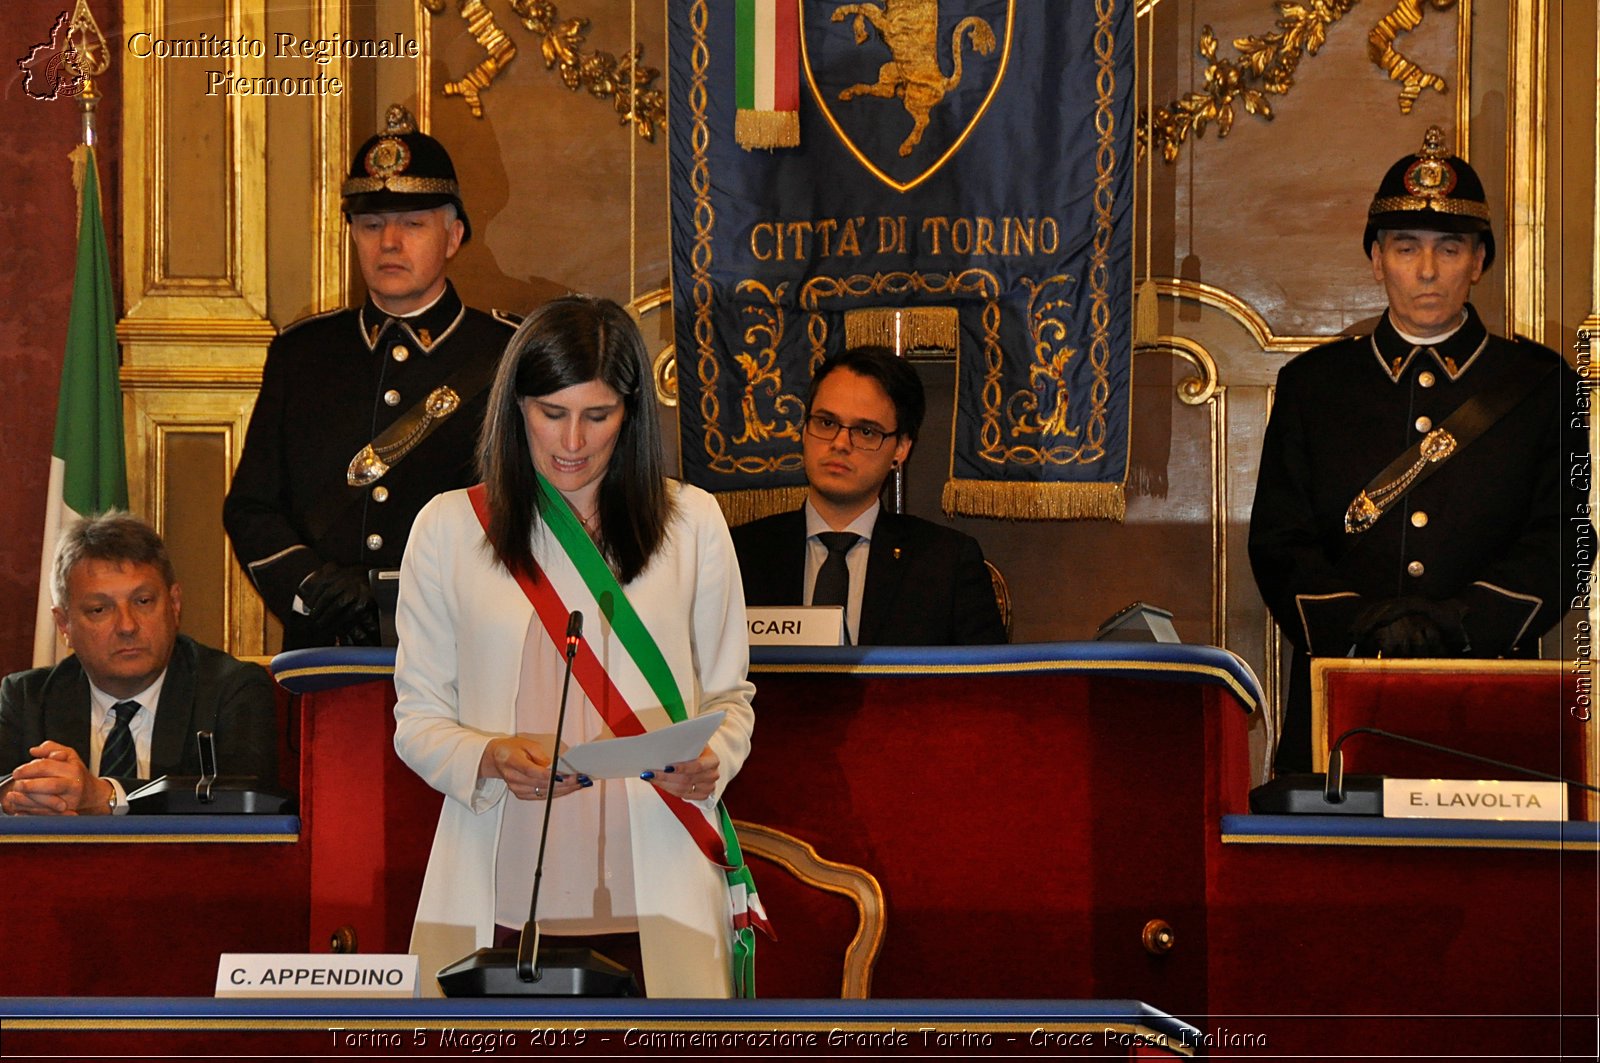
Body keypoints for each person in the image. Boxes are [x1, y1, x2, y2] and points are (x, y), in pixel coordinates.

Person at [393, 295, 757, 997]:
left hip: (659, 875)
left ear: (632, 414)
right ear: (514, 407)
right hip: (499, 881)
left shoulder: (693, 524)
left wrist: (715, 757)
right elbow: (417, 718)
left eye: (598, 416)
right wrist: (488, 756)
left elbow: (730, 696)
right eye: (551, 413)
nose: (572, 441)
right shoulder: (448, 528)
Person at [1249, 125, 1584, 772]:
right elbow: (1279, 542)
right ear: (1377, 260)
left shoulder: (1540, 388)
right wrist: (1358, 625)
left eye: (1449, 248)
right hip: (1343, 707)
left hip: (1488, 701)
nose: (1427, 271)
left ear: (1478, 262)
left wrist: (1464, 623)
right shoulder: (1312, 388)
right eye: (1406, 248)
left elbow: (1563, 541)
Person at [224, 104, 518, 649]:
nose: (389, 242)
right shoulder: (303, 354)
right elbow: (252, 506)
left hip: (463, 647)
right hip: (328, 651)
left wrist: (398, 594)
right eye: (372, 224)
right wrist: (309, 585)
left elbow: (532, 512)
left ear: (453, 237)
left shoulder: (506, 354)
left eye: (412, 224)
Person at [1, 513, 277, 814]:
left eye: (143, 601)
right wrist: (17, 794)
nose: (127, 625)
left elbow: (247, 798)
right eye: (99, 609)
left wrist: (105, 795)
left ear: (174, 604)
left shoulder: (232, 689)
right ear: (64, 623)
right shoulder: (25, 697)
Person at [731, 345, 1007, 645]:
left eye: (865, 432)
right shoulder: (739, 554)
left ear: (900, 449)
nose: (840, 443)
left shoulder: (946, 564)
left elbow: (985, 689)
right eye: (826, 423)